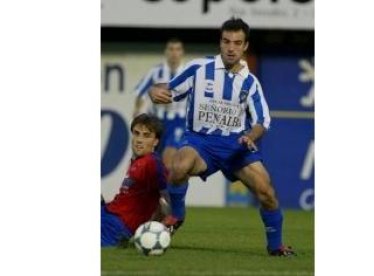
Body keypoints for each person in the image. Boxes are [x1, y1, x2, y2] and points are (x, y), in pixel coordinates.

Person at [149, 18, 295, 256]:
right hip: (200, 142)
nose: (231, 48)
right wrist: (153, 90)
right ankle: (177, 214)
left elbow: (262, 121)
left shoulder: (250, 82)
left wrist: (251, 136)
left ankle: (275, 246)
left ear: (245, 46)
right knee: (178, 166)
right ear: (220, 42)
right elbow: (165, 88)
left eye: (237, 43)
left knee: (267, 192)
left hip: (236, 145)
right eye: (226, 41)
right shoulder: (199, 68)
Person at [133, 38, 188, 230]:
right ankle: (158, 207)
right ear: (166, 52)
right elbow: (140, 95)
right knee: (151, 168)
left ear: (182, 52)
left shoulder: (189, 72)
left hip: (179, 124)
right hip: (157, 124)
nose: (174, 52)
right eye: (171, 49)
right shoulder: (156, 72)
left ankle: (170, 211)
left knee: (168, 162)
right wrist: (138, 118)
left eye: (177, 49)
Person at [101, 114, 171, 247]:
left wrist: (161, 227)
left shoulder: (152, 163)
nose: (139, 140)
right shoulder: (138, 161)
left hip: (116, 226)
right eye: (137, 133)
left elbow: (169, 197)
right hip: (108, 213)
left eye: (146, 136)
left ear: (156, 141)